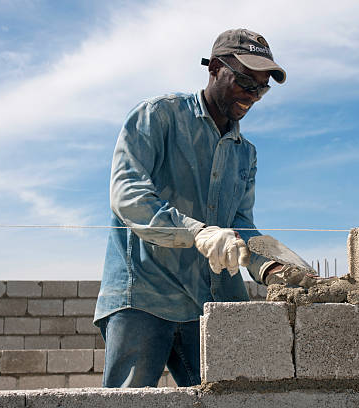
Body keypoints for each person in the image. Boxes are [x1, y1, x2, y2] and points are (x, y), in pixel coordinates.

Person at [93, 28, 294, 388]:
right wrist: (197, 233)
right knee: (130, 400)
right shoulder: (158, 116)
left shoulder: (244, 153)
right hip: (145, 295)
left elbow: (240, 222)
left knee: (233, 397)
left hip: (213, 301)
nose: (253, 95)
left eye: (262, 88)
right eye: (246, 81)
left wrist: (272, 265)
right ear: (215, 67)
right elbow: (128, 194)